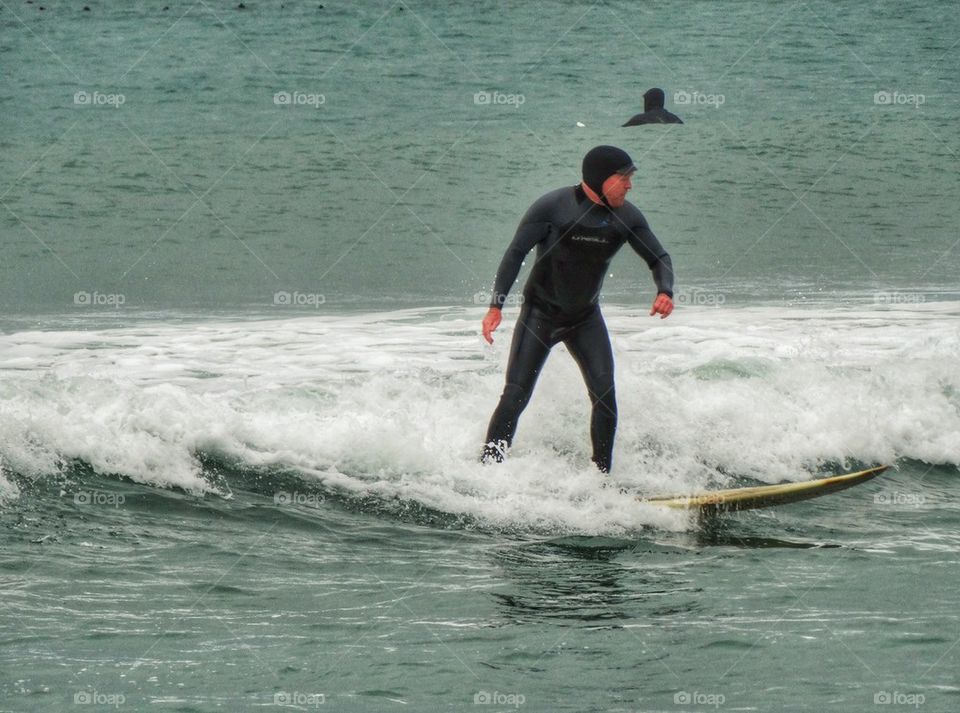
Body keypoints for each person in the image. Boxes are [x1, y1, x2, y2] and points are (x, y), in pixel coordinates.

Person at [479, 145, 674, 474]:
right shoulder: (552, 208)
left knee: (605, 398)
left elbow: (659, 257)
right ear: (600, 179)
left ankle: (600, 480)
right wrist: (495, 307)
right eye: (623, 178)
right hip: (540, 315)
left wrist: (665, 290)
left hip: (585, 318)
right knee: (515, 395)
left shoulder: (626, 217)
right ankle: (487, 469)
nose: (629, 185)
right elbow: (515, 254)